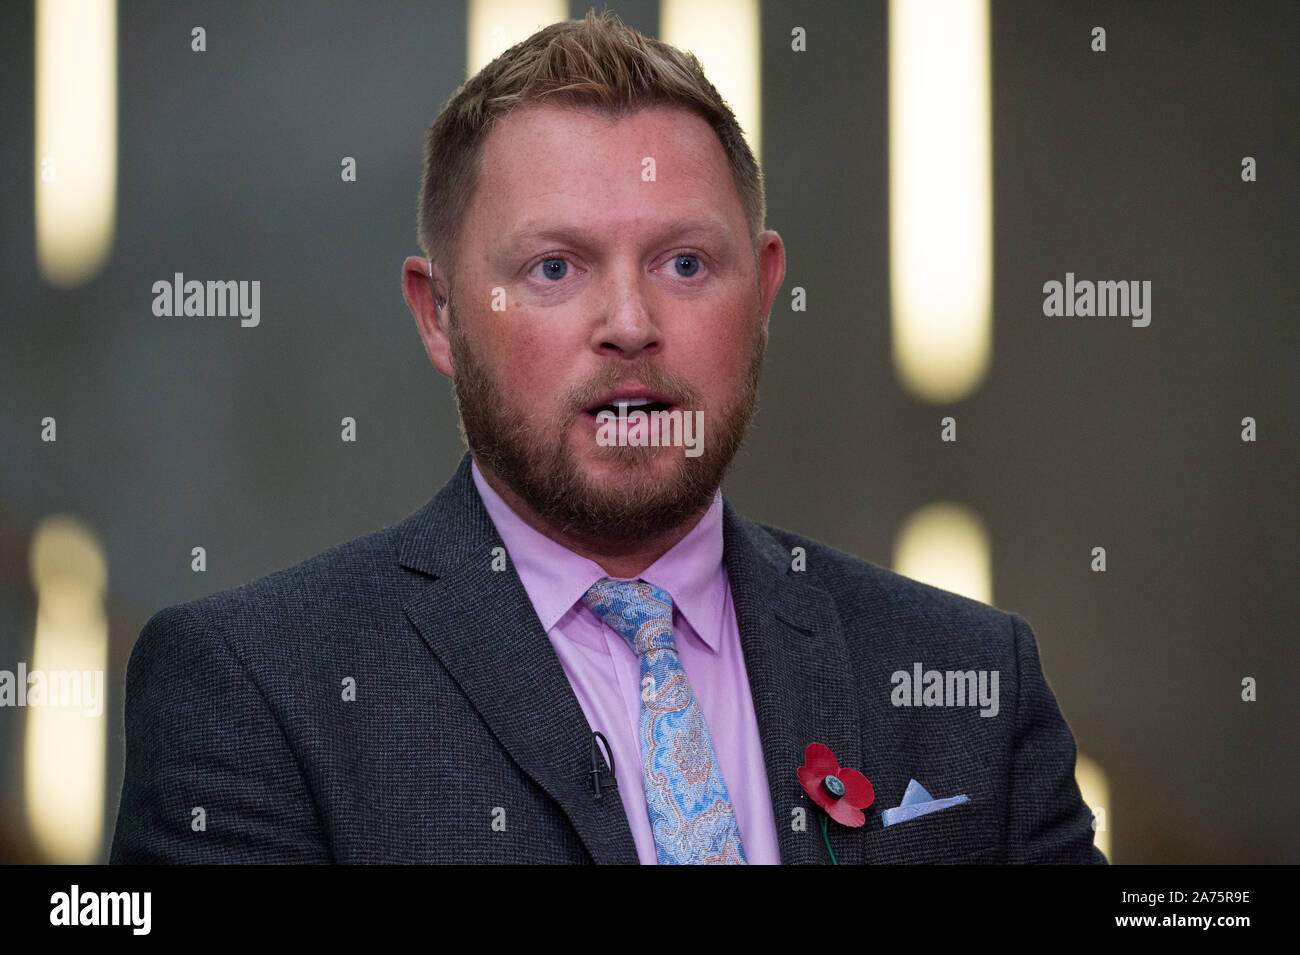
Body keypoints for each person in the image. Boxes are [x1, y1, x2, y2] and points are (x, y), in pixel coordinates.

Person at [110, 10, 1105, 865]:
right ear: (438, 313)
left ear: (760, 293)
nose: (630, 322)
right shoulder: (256, 689)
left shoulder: (969, 677)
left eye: (681, 262)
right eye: (555, 267)